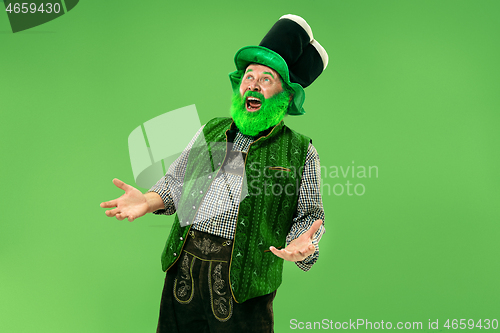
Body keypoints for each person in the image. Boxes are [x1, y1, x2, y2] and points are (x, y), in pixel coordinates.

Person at [100, 14, 328, 333]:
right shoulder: (213, 130)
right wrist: (148, 201)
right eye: (250, 75)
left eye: (266, 79)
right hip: (185, 267)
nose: (253, 84)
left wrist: (303, 243)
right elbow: (177, 184)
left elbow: (309, 215)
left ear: (286, 95)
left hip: (243, 281)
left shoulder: (299, 150)